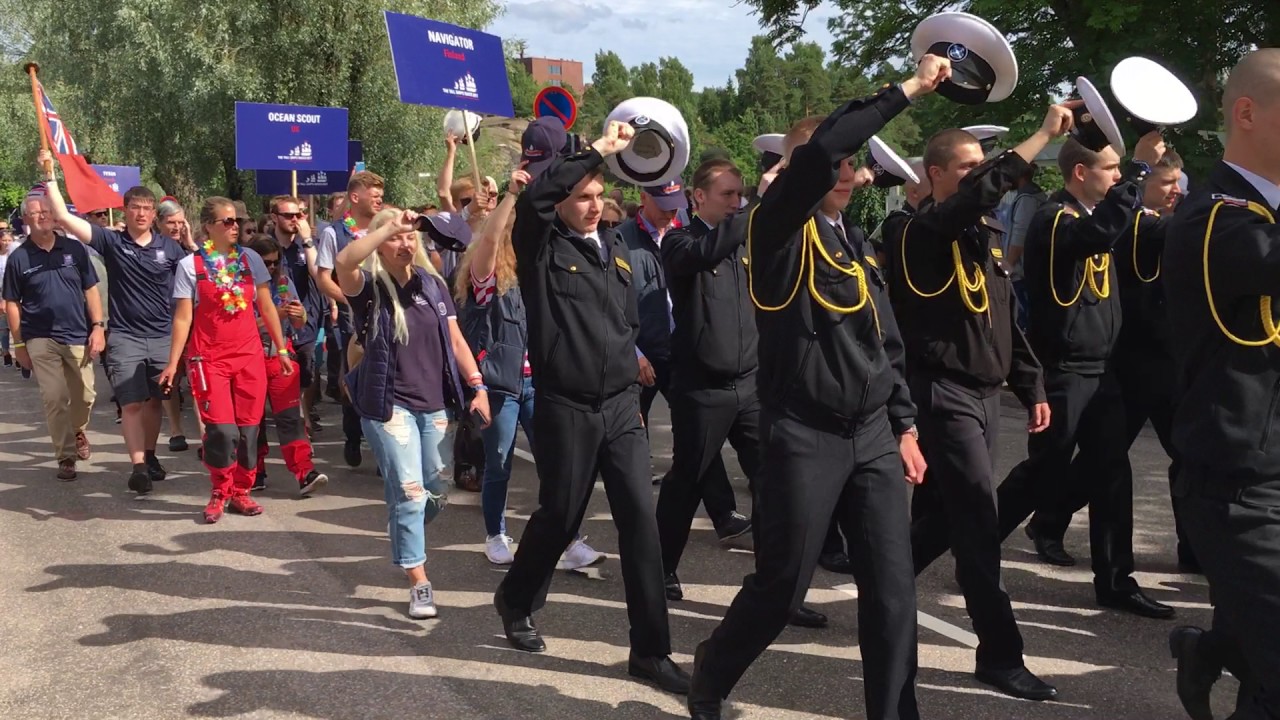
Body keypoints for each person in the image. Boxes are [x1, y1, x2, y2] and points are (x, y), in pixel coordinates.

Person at [687, 58, 946, 720]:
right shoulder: (779, 234)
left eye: (851, 165)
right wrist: (909, 88)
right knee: (782, 587)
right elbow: (826, 146)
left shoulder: (852, 240)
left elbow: (882, 340)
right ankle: (712, 670)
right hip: (804, 434)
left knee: (892, 592)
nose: (844, 172)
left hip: (870, 437)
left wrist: (905, 423)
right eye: (831, 163)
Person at [493, 121, 690, 695]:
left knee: (641, 526)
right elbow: (537, 198)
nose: (592, 204)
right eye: (582, 195)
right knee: (559, 515)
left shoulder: (619, 253)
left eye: (600, 196)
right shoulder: (541, 247)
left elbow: (622, 323)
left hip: (621, 408)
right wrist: (599, 148)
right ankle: (516, 598)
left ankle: (651, 652)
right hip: (567, 406)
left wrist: (633, 364)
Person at [886, 113, 1074, 700]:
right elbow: (973, 201)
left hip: (985, 396)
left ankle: (882, 583)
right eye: (968, 168)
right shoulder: (916, 232)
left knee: (942, 515)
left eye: (982, 167)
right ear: (935, 174)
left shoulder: (981, 234)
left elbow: (1002, 322)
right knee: (977, 523)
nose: (981, 176)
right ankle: (999, 654)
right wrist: (1043, 136)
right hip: (944, 394)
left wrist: (1032, 384)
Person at [997, 134, 1175, 619]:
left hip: (1104, 369)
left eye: (1120, 170)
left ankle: (1116, 580)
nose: (1117, 177)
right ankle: (978, 540)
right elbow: (1097, 239)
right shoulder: (1055, 220)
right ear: (1081, 173)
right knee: (1046, 470)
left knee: (1113, 471)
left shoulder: (1095, 217)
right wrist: (1139, 169)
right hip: (1066, 369)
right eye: (1111, 169)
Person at [1164, 47, 1280, 720]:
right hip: (1237, 489)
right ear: (1246, 113)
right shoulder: (1216, 218)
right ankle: (1217, 650)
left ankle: (1211, 651)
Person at [335, 207, 490, 620]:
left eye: (409, 237)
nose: (404, 243)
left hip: (433, 404)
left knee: (435, 490)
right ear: (380, 243)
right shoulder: (366, 287)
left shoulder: (433, 284)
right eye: (394, 238)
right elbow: (344, 262)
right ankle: (419, 583)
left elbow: (455, 339)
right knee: (409, 493)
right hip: (388, 407)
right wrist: (385, 225)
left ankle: (404, 523)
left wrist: (477, 385)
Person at [455, 163, 603, 569]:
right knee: (499, 464)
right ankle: (495, 534)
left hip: (539, 383)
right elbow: (486, 244)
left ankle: (568, 540)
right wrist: (510, 198)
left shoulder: (533, 274)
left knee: (555, 463)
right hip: (501, 384)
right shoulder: (487, 279)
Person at [41, 151, 184, 496]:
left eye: (147, 209)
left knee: (154, 402)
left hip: (163, 336)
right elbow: (62, 216)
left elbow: (188, 295)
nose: (141, 213)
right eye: (135, 207)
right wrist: (49, 175)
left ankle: (149, 456)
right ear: (125, 211)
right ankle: (138, 467)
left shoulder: (172, 249)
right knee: (131, 403)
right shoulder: (112, 242)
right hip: (125, 337)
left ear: (154, 214)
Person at [621, 178, 750, 536]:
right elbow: (610, 303)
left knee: (695, 440)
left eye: (674, 202)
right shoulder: (621, 240)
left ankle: (723, 514)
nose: (669, 211)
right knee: (630, 439)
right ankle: (635, 514)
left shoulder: (688, 236)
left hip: (681, 353)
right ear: (643, 198)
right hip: (641, 353)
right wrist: (633, 352)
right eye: (662, 203)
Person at [158, 198, 291, 523]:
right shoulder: (191, 266)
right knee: (222, 432)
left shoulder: (251, 260)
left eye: (236, 221)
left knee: (248, 431)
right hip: (209, 359)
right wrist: (173, 363)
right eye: (227, 222)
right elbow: (182, 319)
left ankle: (240, 492)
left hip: (248, 357)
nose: (234, 227)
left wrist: (282, 349)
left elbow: (267, 307)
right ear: (208, 227)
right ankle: (220, 490)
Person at [2, 192, 104, 480]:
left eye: (46, 210)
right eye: (35, 212)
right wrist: (19, 344)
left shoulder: (74, 249)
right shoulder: (18, 258)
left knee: (85, 395)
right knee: (55, 397)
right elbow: (11, 302)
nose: (42, 215)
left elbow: (91, 289)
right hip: (39, 337)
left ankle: (77, 430)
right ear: (26, 220)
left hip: (77, 334)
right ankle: (66, 456)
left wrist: (98, 326)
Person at [243, 234, 327, 496]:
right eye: (264, 263)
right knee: (251, 421)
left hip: (281, 356)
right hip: (248, 357)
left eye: (274, 262)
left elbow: (299, 323)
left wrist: (299, 314)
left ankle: (304, 473)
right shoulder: (238, 285)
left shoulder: (282, 282)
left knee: (291, 418)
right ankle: (253, 472)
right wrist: (273, 316)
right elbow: (238, 326)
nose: (270, 268)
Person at [314, 171, 385, 467]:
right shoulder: (334, 233)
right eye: (374, 194)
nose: (380, 199)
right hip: (352, 318)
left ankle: (385, 450)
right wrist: (351, 300)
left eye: (382, 195)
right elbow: (323, 278)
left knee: (385, 376)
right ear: (355, 198)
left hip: (386, 315)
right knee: (353, 377)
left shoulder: (386, 229)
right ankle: (352, 435)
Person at [269, 197, 325, 436]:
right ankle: (298, 423)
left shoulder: (307, 246)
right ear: (274, 218)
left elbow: (317, 273)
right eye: (288, 216)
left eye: (299, 215)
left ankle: (304, 416)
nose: (295, 220)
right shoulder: (266, 247)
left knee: (306, 374)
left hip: (305, 320)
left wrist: (308, 241)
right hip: (276, 322)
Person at [155, 198, 200, 452]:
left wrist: (190, 242)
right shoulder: (153, 246)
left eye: (180, 222)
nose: (176, 227)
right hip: (164, 322)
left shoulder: (188, 249)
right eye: (170, 222)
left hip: (192, 321)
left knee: (197, 380)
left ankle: (206, 434)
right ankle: (175, 430)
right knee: (169, 378)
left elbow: (206, 267)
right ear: (159, 222)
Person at [1003, 163, 1047, 330]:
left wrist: (1009, 265)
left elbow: (1020, 236)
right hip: (1028, 273)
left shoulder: (1027, 199)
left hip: (1021, 275)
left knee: (1022, 324)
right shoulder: (1032, 195)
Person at [0, 221, 14, 367]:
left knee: (16, 326)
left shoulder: (16, 256)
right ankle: (6, 353)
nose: (7, 243)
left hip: (14, 294)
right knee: (3, 327)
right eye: (4, 240)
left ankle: (19, 353)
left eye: (9, 240)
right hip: (0, 294)